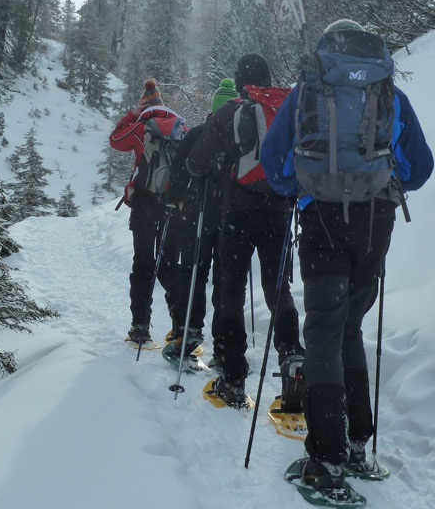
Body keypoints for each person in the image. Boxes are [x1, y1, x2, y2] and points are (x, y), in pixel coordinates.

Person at [260, 19, 433, 500]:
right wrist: (378, 181)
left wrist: (304, 187)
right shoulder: (389, 94)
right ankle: (357, 443)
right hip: (376, 223)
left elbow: (274, 163)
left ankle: (327, 458)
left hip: (322, 221)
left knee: (322, 332)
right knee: (350, 326)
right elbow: (421, 168)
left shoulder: (308, 91)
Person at [187, 54, 303, 407]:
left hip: (237, 213)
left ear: (240, 82)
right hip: (279, 211)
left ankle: (233, 376)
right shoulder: (287, 108)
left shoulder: (227, 113)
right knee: (277, 289)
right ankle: (292, 357)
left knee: (232, 291)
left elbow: (197, 163)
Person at [162, 79, 238, 363]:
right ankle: (222, 345)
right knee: (224, 280)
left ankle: (188, 329)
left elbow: (180, 173)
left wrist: (176, 199)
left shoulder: (197, 134)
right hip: (231, 217)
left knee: (192, 272)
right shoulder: (242, 137)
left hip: (198, 214)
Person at [109, 79, 186, 344]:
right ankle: (181, 327)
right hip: (174, 206)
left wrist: (132, 113)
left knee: (143, 264)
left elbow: (115, 140)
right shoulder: (181, 127)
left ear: (145, 104)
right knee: (168, 266)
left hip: (144, 205)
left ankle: (140, 327)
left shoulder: (141, 126)